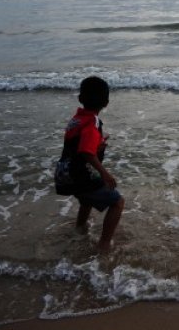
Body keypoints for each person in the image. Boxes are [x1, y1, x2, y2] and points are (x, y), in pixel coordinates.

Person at [60, 76, 124, 252]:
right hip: (81, 175)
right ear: (106, 102)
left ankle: (79, 228)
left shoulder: (77, 119)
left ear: (80, 99)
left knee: (86, 200)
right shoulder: (92, 124)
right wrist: (105, 173)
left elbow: (77, 145)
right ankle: (104, 245)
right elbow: (86, 152)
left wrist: (97, 144)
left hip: (66, 174)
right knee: (118, 203)